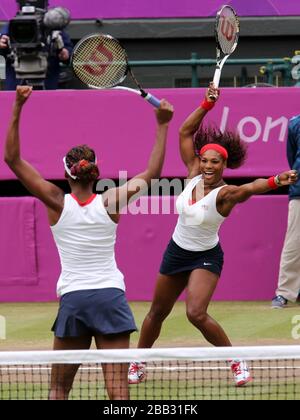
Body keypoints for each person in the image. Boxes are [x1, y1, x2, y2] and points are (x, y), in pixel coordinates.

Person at [4, 86, 174, 400]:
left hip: (75, 301)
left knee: (58, 389)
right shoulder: (111, 201)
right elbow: (153, 172)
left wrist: (17, 106)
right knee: (118, 392)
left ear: (66, 173)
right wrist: (162, 124)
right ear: (95, 172)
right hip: (110, 297)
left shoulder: (55, 201)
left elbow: (11, 159)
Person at [128, 83, 298, 387]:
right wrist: (206, 105)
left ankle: (237, 362)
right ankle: (138, 362)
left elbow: (251, 187)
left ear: (224, 165)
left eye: (214, 162)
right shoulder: (192, 172)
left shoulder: (226, 194)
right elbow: (183, 132)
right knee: (157, 312)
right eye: (204, 160)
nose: (207, 165)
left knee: (195, 313)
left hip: (206, 256)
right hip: (176, 251)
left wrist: (276, 179)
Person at [272, 115, 300, 308]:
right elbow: (292, 159)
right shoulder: (295, 124)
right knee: (294, 243)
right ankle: (284, 293)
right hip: (299, 191)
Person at [0, 23, 73, 90]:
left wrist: (65, 53)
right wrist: (2, 46)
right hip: (16, 85)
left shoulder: (52, 25)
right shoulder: (12, 25)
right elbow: (3, 51)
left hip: (48, 84)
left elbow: (69, 52)